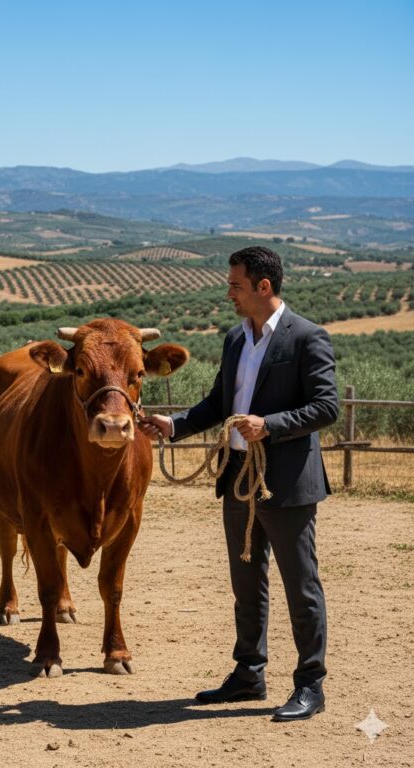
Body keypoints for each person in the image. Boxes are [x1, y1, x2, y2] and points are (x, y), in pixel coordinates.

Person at [140, 246, 338, 722]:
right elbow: (217, 402)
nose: (228, 292)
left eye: (235, 285)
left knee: (301, 586)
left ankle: (310, 684)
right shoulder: (234, 339)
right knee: (246, 583)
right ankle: (249, 673)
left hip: (286, 486)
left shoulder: (308, 337)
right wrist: (175, 425)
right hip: (238, 480)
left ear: (262, 287)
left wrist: (269, 424)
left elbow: (326, 407)